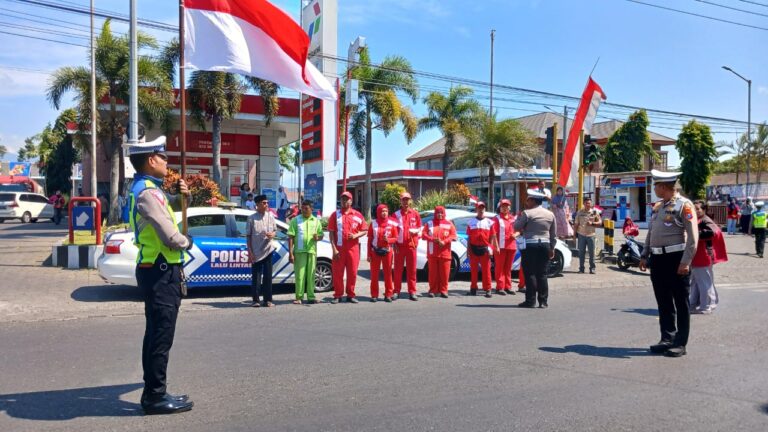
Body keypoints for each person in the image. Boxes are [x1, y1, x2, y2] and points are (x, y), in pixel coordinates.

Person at [126, 139, 194, 415]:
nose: (167, 162)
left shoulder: (149, 190)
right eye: (163, 157)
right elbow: (170, 236)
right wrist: (187, 241)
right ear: (151, 160)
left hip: (157, 270)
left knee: (155, 334)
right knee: (160, 336)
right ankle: (154, 397)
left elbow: (166, 212)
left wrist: (182, 198)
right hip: (161, 270)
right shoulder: (147, 192)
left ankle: (156, 391)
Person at [639, 170, 698, 358]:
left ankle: (680, 343)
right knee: (663, 302)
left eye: (656, 185)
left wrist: (686, 261)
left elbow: (693, 238)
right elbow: (651, 232)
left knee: (681, 302)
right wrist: (644, 253)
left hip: (676, 259)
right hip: (658, 260)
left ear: (664, 186)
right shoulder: (658, 207)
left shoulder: (684, 206)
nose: (654, 188)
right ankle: (667, 338)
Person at [514, 190, 556, 308]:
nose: (527, 202)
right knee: (542, 274)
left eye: (528, 200)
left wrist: (519, 218)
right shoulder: (550, 214)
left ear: (533, 201)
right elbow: (553, 233)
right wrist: (552, 247)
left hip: (530, 245)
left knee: (530, 273)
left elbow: (516, 227)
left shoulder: (527, 213)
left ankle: (530, 301)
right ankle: (543, 301)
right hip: (545, 245)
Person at [327, 191, 367, 304]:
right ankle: (338, 295)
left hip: (353, 249)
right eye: (343, 199)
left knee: (352, 273)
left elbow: (364, 230)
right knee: (337, 273)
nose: (344, 201)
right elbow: (331, 233)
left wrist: (355, 235)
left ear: (351, 201)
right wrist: (334, 249)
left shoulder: (358, 215)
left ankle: (350, 294)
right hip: (339, 249)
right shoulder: (335, 215)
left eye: (347, 199)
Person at [690, 200, 726, 314]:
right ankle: (694, 304)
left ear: (704, 210)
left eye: (697, 208)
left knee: (704, 283)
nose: (695, 210)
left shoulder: (706, 220)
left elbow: (713, 232)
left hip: (702, 256)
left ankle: (706, 306)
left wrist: (694, 235)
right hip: (696, 256)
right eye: (693, 208)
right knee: (695, 282)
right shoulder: (698, 220)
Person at [287, 200, 324, 305]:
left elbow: (321, 235)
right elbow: (290, 237)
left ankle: (311, 297)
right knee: (300, 275)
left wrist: (318, 237)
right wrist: (291, 253)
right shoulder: (295, 220)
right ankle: (299, 297)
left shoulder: (316, 221)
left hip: (311, 251)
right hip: (299, 252)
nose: (303, 210)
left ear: (311, 209)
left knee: (311, 275)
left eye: (306, 208)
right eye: (302, 208)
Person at [246, 194, 277, 308]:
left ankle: (268, 300)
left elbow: (275, 231)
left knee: (268, 276)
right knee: (256, 277)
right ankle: (255, 300)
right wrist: (250, 252)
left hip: (268, 249)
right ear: (257, 205)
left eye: (267, 203)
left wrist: (272, 234)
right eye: (264, 203)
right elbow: (248, 236)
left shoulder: (271, 216)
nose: (266, 205)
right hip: (256, 251)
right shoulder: (251, 218)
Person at [422, 206, 457, 298]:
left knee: (444, 274)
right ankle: (432, 290)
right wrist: (432, 239)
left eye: (441, 213)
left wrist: (444, 241)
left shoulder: (449, 223)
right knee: (433, 274)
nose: (440, 214)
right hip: (432, 253)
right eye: (438, 213)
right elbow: (423, 235)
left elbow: (453, 236)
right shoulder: (429, 223)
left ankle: (443, 290)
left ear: (444, 213)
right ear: (435, 213)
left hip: (445, 253)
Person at [393, 192, 422, 301]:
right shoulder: (396, 215)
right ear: (400, 201)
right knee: (397, 270)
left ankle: (412, 291)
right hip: (399, 246)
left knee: (412, 270)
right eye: (403, 200)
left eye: (407, 200)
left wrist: (416, 237)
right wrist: (394, 243)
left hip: (411, 246)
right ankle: (396, 291)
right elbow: (392, 230)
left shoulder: (415, 214)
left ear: (410, 201)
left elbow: (420, 228)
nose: (405, 202)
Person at [466, 201, 498, 297]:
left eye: (483, 208)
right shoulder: (470, 222)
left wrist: (491, 248)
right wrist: (468, 250)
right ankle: (473, 289)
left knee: (486, 271)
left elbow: (492, 236)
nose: (481, 210)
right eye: (479, 208)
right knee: (473, 271)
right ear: (476, 209)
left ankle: (488, 289)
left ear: (484, 209)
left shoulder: (490, 222)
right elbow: (469, 238)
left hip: (485, 249)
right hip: (473, 249)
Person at [367, 204, 398, 302]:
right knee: (374, 274)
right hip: (375, 251)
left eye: (386, 211)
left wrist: (388, 240)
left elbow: (396, 238)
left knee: (388, 274)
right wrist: (368, 254)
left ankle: (388, 294)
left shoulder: (392, 223)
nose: (384, 213)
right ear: (378, 212)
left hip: (387, 251)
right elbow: (370, 239)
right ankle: (374, 295)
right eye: (382, 211)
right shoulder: (373, 223)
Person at [492, 199, 518, 295]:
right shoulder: (496, 218)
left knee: (508, 268)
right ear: (500, 207)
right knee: (500, 267)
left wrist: (516, 234)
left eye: (506, 206)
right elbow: (493, 234)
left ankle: (508, 286)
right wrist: (496, 246)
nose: (505, 208)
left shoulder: (513, 219)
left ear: (509, 207)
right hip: (501, 247)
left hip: (511, 247)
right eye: (503, 206)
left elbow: (519, 230)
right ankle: (500, 287)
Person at [573, 198, 602, 274]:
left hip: (591, 235)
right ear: (584, 204)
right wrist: (574, 235)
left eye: (589, 203)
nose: (588, 205)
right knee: (581, 253)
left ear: (591, 204)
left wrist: (592, 224)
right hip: (581, 235)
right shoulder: (580, 212)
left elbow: (600, 222)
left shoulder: (594, 212)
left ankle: (592, 268)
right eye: (586, 203)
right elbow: (576, 224)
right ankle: (581, 268)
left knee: (592, 253)